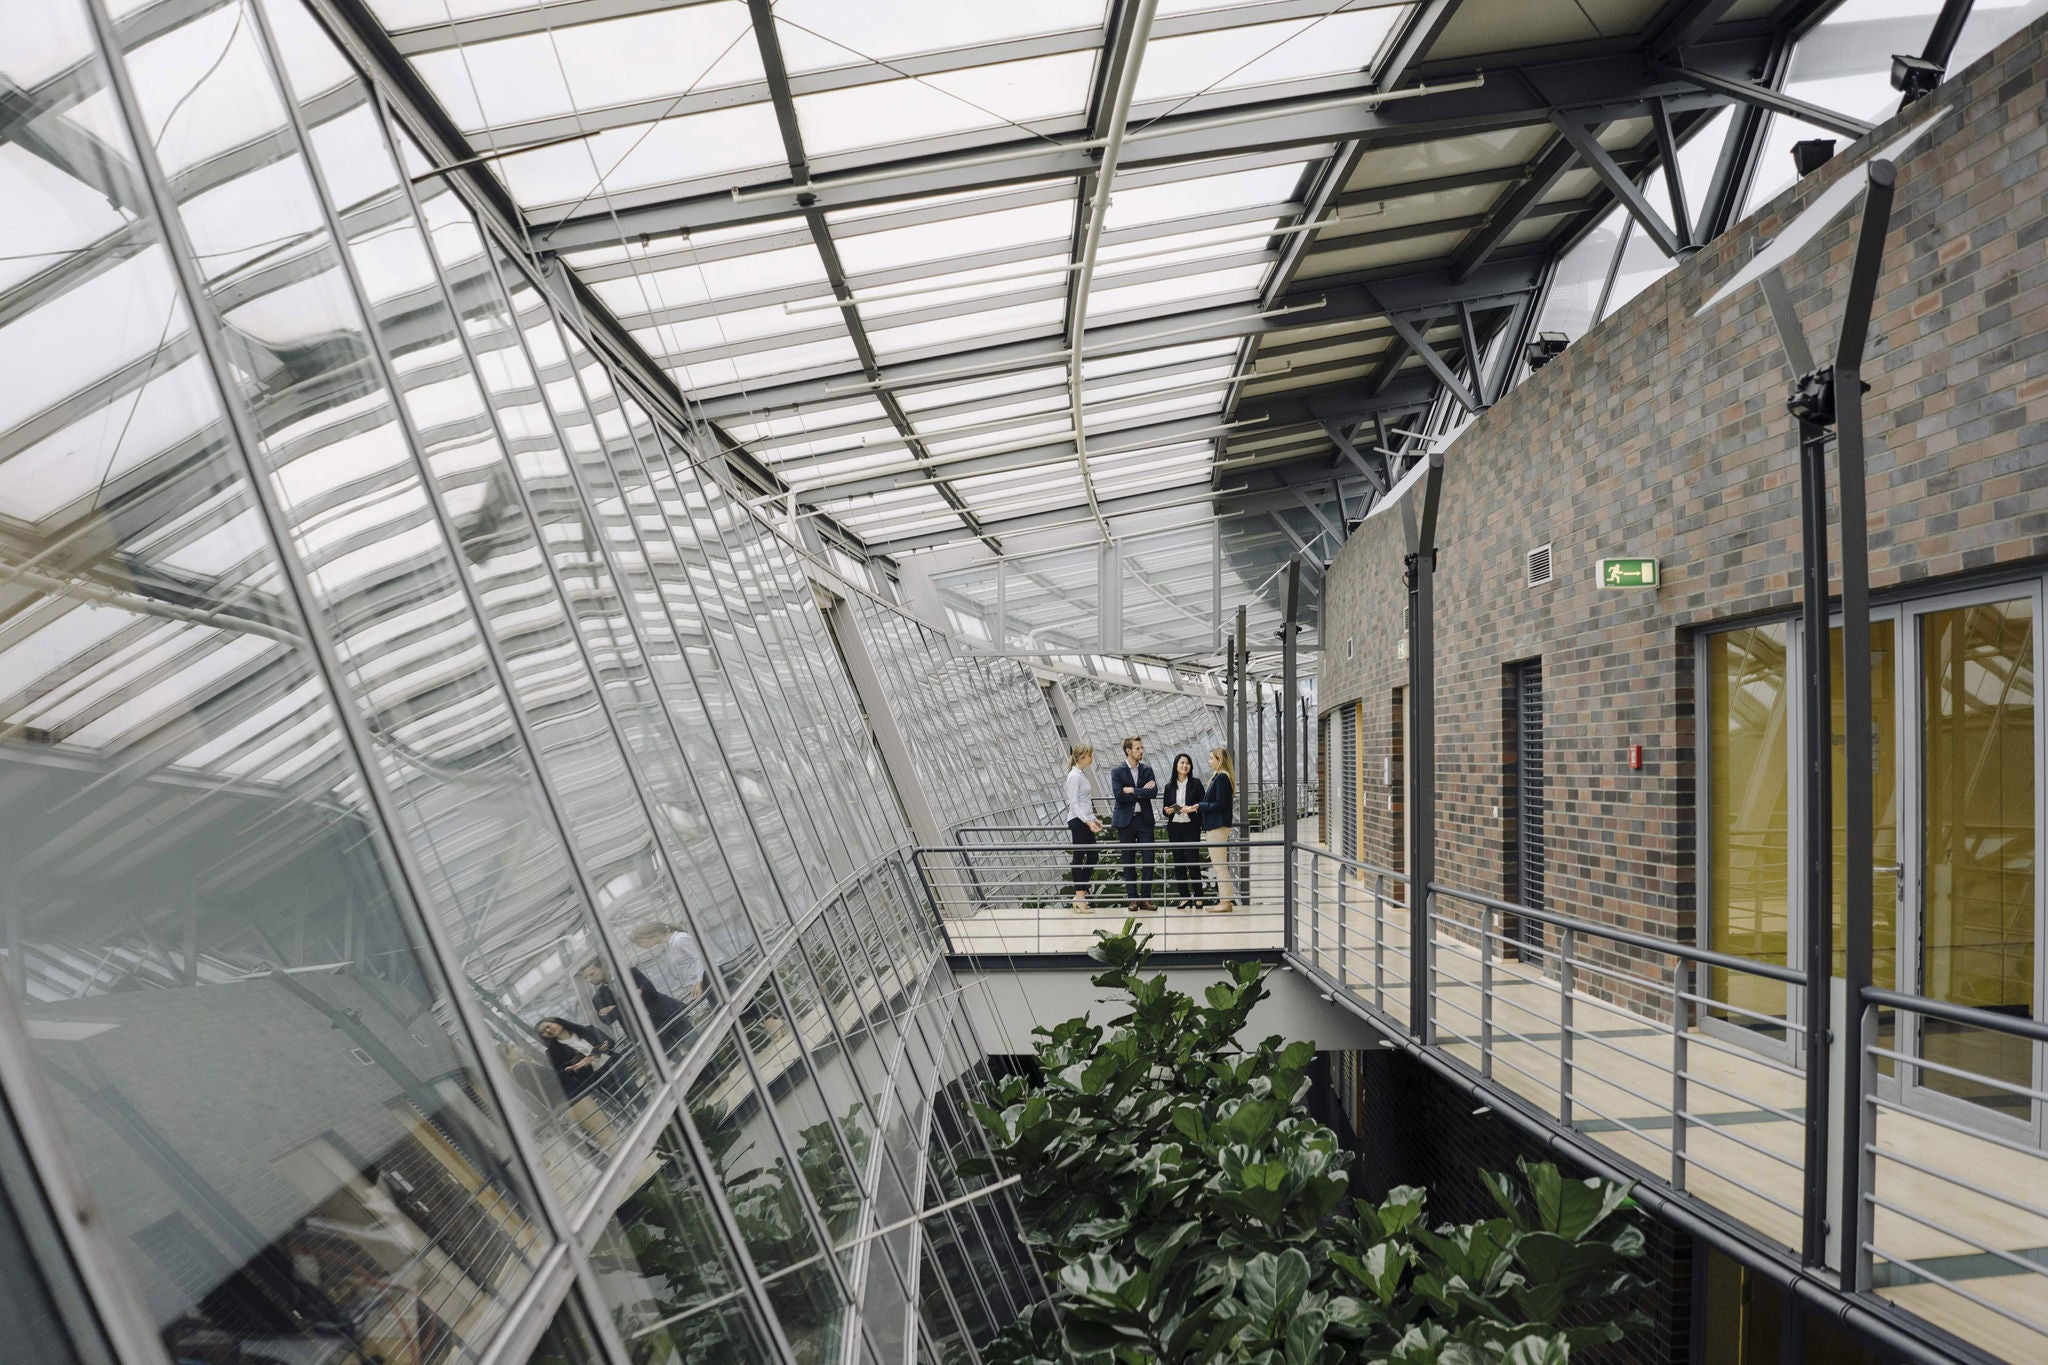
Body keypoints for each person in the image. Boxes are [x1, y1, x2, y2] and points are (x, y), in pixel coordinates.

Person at [1108, 736, 1158, 912]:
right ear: (1128, 751)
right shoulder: (1117, 771)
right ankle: (1133, 900)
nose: (1141, 751)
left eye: (1141, 748)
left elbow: (1154, 793)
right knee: (1128, 861)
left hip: (1144, 821)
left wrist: (1133, 790)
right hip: (1125, 822)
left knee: (1149, 860)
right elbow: (1119, 796)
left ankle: (1145, 899)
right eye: (1138, 748)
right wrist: (1143, 791)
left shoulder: (1147, 769)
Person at [582, 960, 684, 1046]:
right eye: (586, 978)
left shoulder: (629, 973)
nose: (589, 980)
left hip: (666, 1013)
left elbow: (650, 991)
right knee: (675, 1059)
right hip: (646, 1031)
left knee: (693, 1041)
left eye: (592, 974)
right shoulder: (599, 998)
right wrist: (632, 998)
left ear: (602, 967)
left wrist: (617, 1007)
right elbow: (607, 1019)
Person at [1064, 744, 1104, 913]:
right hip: (1078, 821)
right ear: (1081, 758)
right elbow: (1073, 804)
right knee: (1079, 858)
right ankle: (1080, 896)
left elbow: (1084, 803)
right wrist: (1088, 822)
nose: (1091, 758)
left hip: (1085, 820)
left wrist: (1094, 819)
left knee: (1093, 856)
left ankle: (1080, 894)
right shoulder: (1074, 776)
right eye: (1089, 755)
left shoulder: (1081, 774)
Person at [1162, 753, 1206, 909]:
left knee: (1193, 862)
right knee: (1178, 863)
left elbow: (1203, 805)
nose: (1184, 766)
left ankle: (1199, 896)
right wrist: (1167, 810)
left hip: (1191, 827)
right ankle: (1184, 897)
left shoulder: (1196, 783)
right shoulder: (1169, 786)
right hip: (1175, 828)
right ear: (1176, 765)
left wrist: (1191, 809)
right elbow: (1165, 808)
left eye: (1187, 763)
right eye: (1182, 763)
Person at [1200, 746, 1238, 912]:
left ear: (1219, 760)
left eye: (1211, 758)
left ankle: (1226, 902)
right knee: (1220, 866)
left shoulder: (1222, 778)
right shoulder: (1221, 777)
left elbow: (1220, 804)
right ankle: (1225, 901)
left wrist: (1200, 806)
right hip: (1217, 826)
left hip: (1217, 826)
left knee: (1220, 866)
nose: (1209, 762)